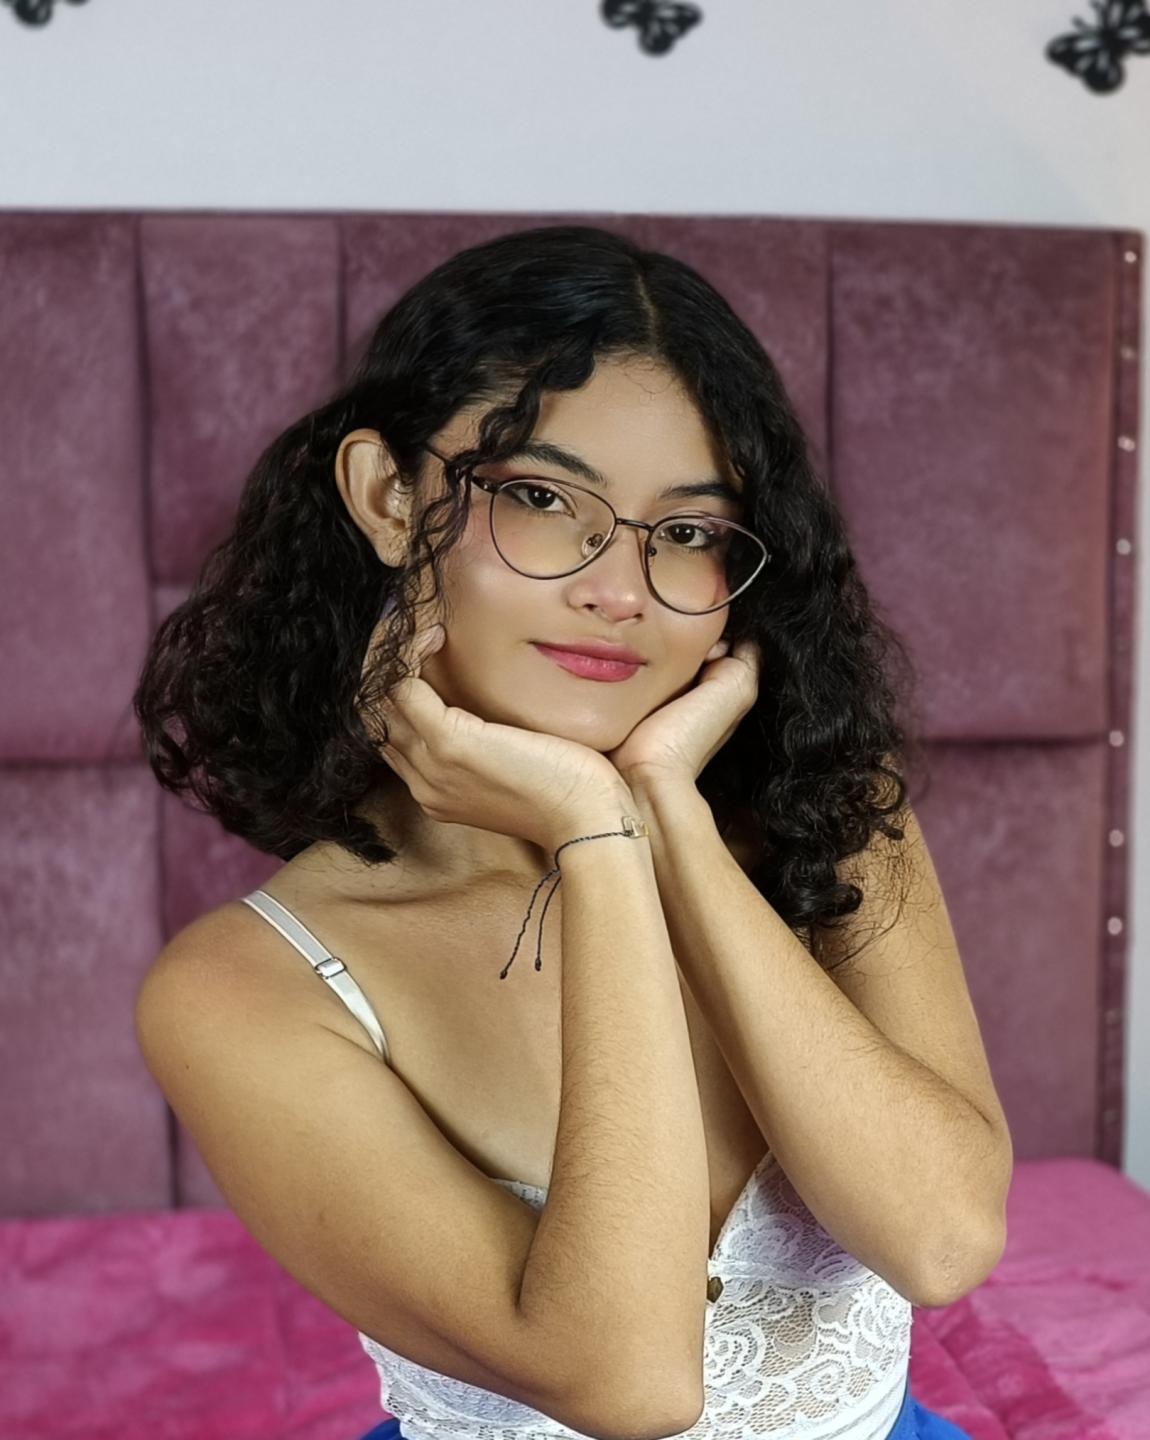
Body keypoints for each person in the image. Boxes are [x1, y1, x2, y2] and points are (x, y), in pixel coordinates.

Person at [132, 223, 1010, 1440]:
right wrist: (594, 842)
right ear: (387, 497)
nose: (618, 589)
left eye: (688, 532)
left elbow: (941, 1240)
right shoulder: (244, 986)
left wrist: (668, 821)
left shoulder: (834, 821)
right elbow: (625, 1383)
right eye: (542, 499)